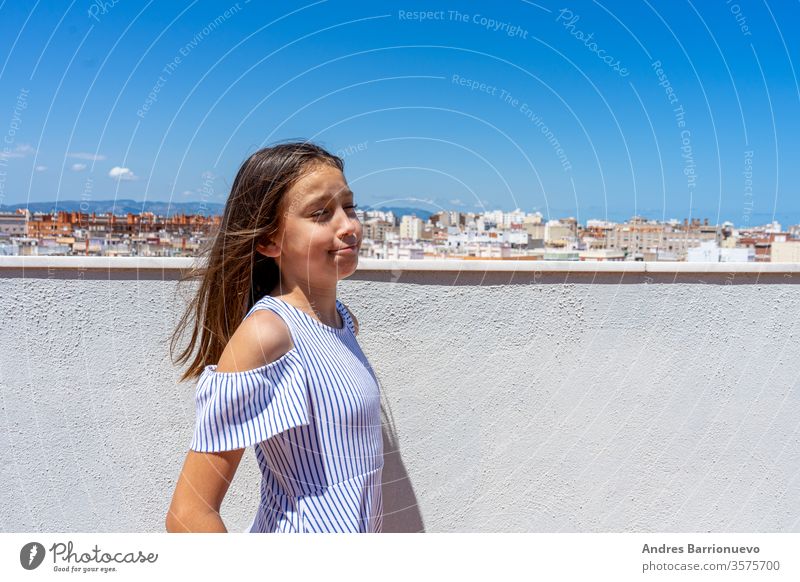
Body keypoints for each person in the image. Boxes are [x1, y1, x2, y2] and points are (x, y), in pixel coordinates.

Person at [165, 141, 383, 533]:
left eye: (348, 207)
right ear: (268, 241)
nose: (349, 226)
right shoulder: (269, 333)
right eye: (321, 213)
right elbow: (188, 515)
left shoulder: (342, 321)